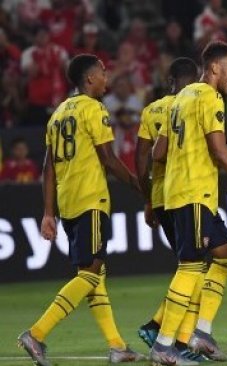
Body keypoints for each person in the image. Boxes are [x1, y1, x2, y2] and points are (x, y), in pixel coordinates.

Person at [17, 54, 144, 366]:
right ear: (89, 79)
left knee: (94, 274)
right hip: (91, 200)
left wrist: (49, 211)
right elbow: (109, 158)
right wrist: (138, 184)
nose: (106, 77)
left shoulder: (58, 113)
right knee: (90, 273)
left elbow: (48, 166)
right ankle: (37, 333)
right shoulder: (94, 109)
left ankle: (116, 346)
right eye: (102, 72)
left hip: (69, 203)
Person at [149, 41, 227, 365]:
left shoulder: (180, 98)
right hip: (193, 193)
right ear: (215, 68)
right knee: (190, 267)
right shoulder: (210, 97)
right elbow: (216, 150)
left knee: (225, 256)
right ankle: (163, 344)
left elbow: (157, 153)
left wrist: (221, 155)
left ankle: (200, 332)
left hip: (178, 191)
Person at [134, 57, 206, 364]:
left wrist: (148, 200)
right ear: (195, 79)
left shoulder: (152, 110)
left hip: (162, 197)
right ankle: (169, 336)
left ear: (170, 80)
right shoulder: (195, 104)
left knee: (189, 265)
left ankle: (170, 334)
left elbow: (141, 162)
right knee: (194, 267)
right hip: (187, 192)